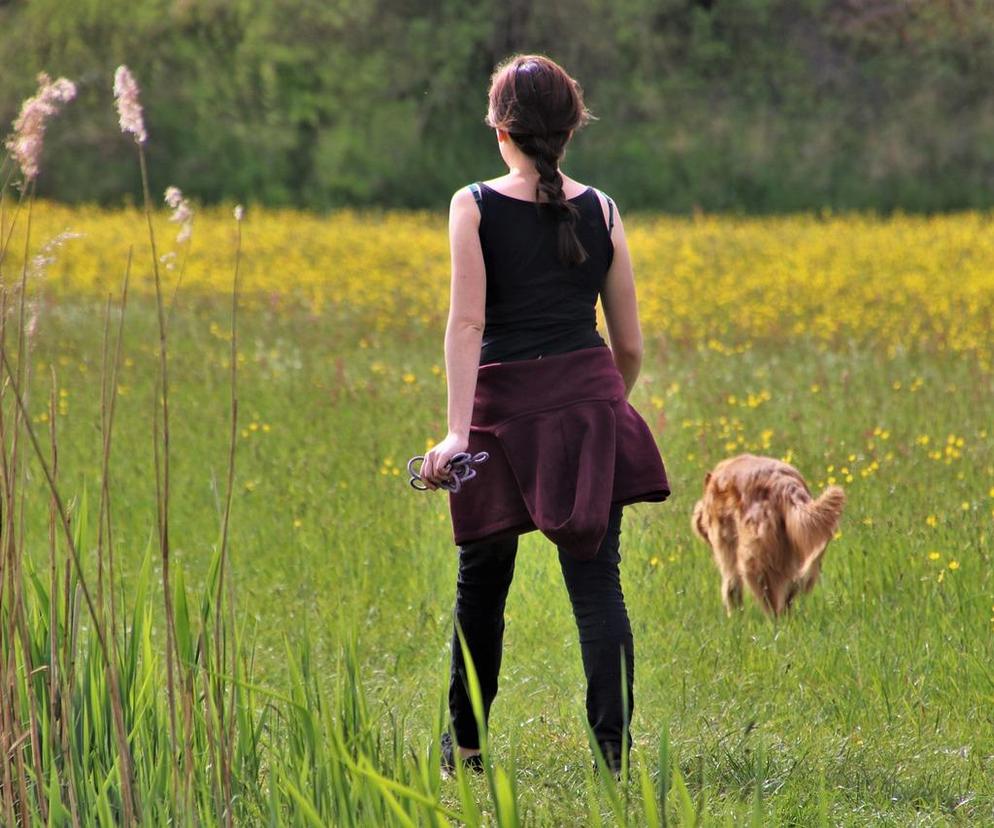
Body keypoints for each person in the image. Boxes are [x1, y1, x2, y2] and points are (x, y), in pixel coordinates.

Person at [418, 54, 670, 776]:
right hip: (589, 404)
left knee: (482, 586)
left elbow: (467, 326)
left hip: (500, 416)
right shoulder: (604, 209)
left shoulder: (473, 204)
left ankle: (465, 751)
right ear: (570, 128)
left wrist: (459, 434)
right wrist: (600, 405)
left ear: (500, 126)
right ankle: (613, 761)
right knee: (598, 585)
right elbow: (629, 345)